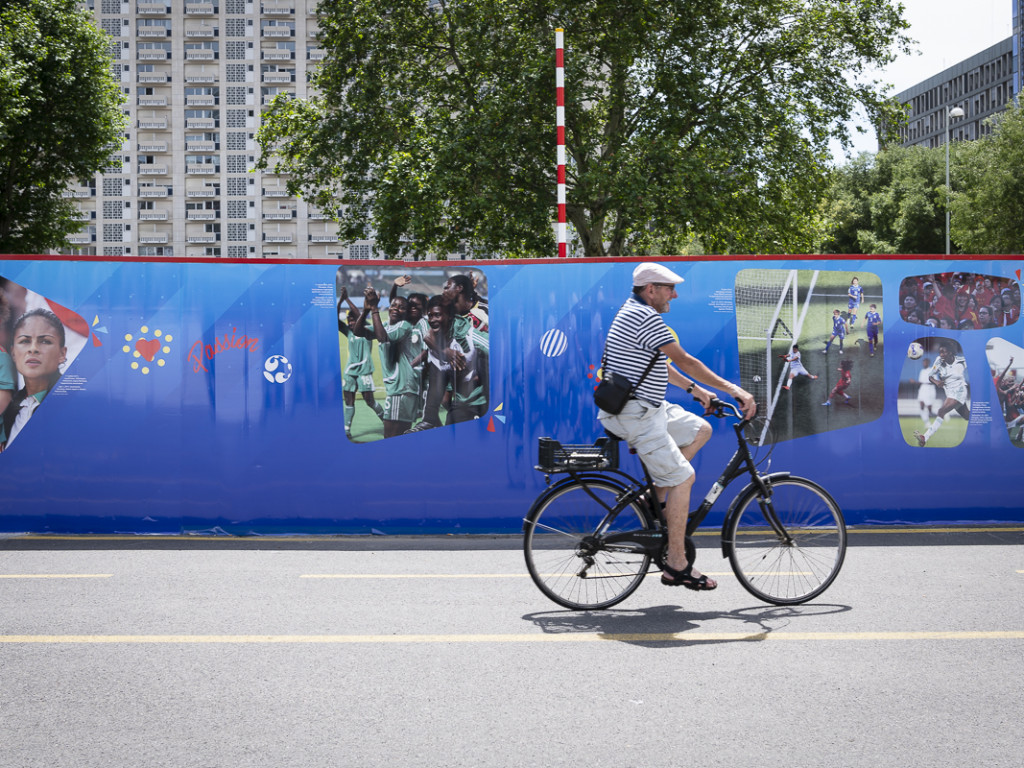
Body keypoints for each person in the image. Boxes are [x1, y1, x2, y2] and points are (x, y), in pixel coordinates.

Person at [597, 263, 756, 591]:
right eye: (669, 287)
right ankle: (677, 564)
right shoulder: (645, 317)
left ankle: (652, 495)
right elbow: (685, 361)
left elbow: (663, 366)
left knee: (701, 430)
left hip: (647, 409)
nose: (675, 294)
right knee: (683, 477)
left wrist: (696, 391)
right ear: (650, 289)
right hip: (636, 414)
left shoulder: (635, 312)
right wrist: (735, 390)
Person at [1, 309, 68, 450]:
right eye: (24, 341)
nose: (33, 349)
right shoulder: (8, 413)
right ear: (13, 353)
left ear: (62, 353)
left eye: (45, 341)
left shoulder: (74, 405)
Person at [364, 286, 421, 438]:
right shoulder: (387, 326)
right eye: (393, 305)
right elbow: (359, 331)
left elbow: (382, 337)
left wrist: (374, 308)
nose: (396, 309)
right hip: (403, 389)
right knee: (400, 436)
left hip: (400, 389)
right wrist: (366, 310)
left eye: (402, 307)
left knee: (390, 437)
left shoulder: (404, 325)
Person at [337, 288, 385, 440]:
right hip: (350, 371)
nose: (351, 322)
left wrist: (348, 299)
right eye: (349, 320)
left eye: (353, 320)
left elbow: (360, 316)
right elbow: (334, 318)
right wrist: (341, 301)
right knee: (349, 401)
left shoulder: (365, 330)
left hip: (364, 371)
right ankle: (347, 429)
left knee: (370, 401)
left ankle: (387, 422)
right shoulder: (348, 332)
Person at [914, 343, 970, 447]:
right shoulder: (938, 361)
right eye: (940, 352)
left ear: (950, 353)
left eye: (944, 352)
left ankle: (925, 437)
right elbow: (930, 376)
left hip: (960, 390)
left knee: (941, 411)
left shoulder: (962, 361)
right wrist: (937, 382)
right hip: (949, 392)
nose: (941, 354)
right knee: (967, 416)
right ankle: (991, 419)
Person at [917, 357, 937, 424]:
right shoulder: (922, 371)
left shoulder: (932, 370)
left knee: (929, 407)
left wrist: (916, 382)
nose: (924, 364)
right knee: (921, 405)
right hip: (922, 388)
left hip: (929, 389)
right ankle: (927, 422)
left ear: (928, 363)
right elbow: (920, 381)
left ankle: (939, 414)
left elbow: (934, 381)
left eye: (925, 362)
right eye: (923, 362)